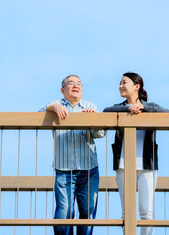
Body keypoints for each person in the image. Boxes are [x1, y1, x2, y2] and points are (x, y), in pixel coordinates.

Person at [103, 72, 169, 235]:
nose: (120, 86)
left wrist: (144, 107)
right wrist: (128, 109)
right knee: (127, 212)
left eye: (124, 82)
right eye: (119, 83)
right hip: (123, 166)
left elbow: (167, 113)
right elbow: (106, 111)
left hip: (147, 166)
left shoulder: (150, 108)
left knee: (146, 212)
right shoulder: (119, 108)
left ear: (137, 86)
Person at [39, 75, 105, 235]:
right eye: (71, 83)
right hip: (64, 169)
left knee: (87, 211)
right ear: (63, 90)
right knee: (64, 212)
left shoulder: (90, 106)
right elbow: (39, 114)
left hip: (89, 169)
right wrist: (53, 108)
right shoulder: (56, 105)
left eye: (79, 83)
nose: (76, 86)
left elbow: (100, 134)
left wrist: (92, 121)